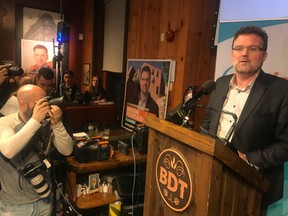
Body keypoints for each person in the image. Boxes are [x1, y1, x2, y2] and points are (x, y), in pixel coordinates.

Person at [200, 26, 288, 215]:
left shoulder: (281, 90)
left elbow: (285, 145)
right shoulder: (221, 83)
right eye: (239, 48)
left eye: (253, 49)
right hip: (213, 176)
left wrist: (248, 160)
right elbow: (208, 123)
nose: (244, 54)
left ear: (264, 56)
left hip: (252, 185)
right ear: (232, 53)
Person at [0, 84, 73, 215]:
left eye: (46, 100)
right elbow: (7, 151)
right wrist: (35, 120)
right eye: (40, 103)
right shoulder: (5, 122)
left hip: (44, 201)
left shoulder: (45, 123)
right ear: (23, 105)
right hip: (15, 206)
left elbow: (67, 150)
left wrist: (57, 124)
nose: (45, 106)